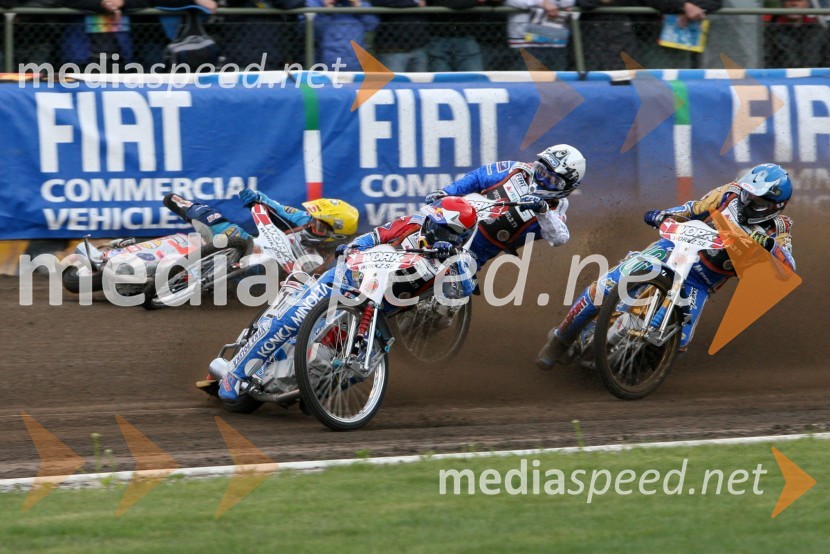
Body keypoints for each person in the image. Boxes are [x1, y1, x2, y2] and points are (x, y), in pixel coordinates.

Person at [212, 195, 479, 401]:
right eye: (433, 220)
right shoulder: (412, 224)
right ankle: (235, 374)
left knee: (361, 363)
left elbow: (464, 290)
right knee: (292, 318)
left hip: (378, 311)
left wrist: (451, 260)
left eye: (441, 227)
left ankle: (318, 396)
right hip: (346, 278)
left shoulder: (461, 258)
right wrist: (353, 247)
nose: (431, 228)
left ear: (457, 235)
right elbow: (376, 235)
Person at [536, 163, 795, 369]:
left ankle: (632, 369)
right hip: (674, 250)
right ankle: (559, 341)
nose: (748, 203)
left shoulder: (779, 229)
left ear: (776, 206)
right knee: (608, 285)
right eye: (747, 194)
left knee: (680, 341)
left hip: (701, 282)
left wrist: (770, 247)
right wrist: (663, 215)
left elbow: (787, 271)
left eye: (758, 202)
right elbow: (692, 209)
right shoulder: (728, 194)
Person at [423, 144, 586, 269]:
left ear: (566, 187)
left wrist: (542, 210)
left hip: (475, 253)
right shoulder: (515, 170)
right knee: (412, 225)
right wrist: (444, 192)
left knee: (460, 280)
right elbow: (477, 177)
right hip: (450, 225)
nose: (543, 181)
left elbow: (559, 237)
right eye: (542, 172)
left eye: (553, 181)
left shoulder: (555, 206)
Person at [162, 190, 360, 256]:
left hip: (278, 279)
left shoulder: (336, 259)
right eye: (314, 221)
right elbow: (278, 208)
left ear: (337, 237)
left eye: (319, 226)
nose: (310, 225)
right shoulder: (306, 220)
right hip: (258, 247)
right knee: (214, 221)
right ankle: (187, 207)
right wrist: (257, 197)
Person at [764, 0, 830, 69]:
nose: (794, 3)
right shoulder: (769, 33)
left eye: (799, 0)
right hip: (781, 78)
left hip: (815, 78)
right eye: (789, 0)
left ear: (807, 4)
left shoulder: (819, 31)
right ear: (782, 3)